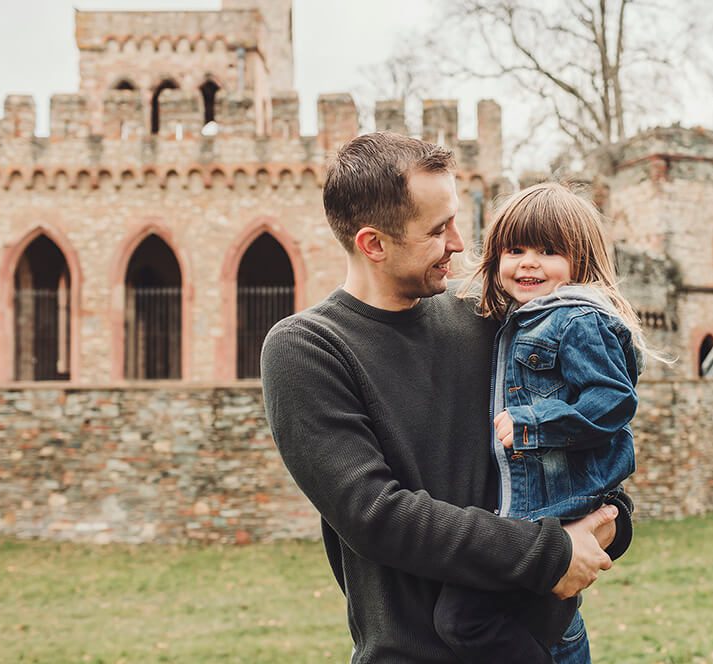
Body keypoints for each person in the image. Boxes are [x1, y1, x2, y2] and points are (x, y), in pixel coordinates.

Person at [259, 132, 622, 663]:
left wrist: (611, 519)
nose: (459, 241)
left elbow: (582, 426)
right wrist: (550, 553)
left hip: (551, 640)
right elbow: (377, 516)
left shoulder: (488, 313)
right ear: (373, 244)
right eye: (437, 229)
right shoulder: (306, 349)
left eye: (454, 219)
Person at [431, 182, 655, 662]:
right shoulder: (523, 318)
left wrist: (536, 423)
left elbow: (614, 401)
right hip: (532, 511)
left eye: (549, 251)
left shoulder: (577, 320)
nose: (528, 262)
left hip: (557, 507)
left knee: (464, 618)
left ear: (581, 260)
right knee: (483, 616)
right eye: (515, 249)